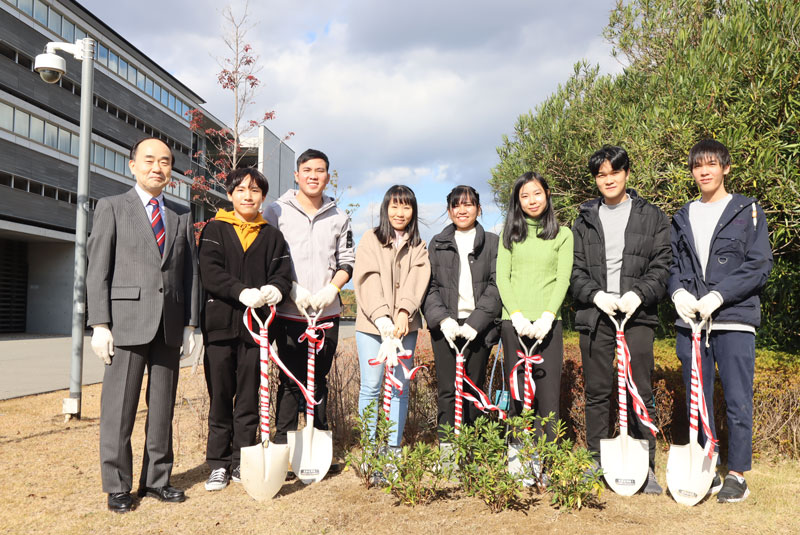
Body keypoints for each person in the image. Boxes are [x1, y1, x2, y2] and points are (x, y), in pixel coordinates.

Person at [86, 137, 200, 513]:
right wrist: (100, 323)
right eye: (149, 160)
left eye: (165, 161)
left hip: (168, 324)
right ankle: (117, 485)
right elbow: (97, 270)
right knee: (119, 408)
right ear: (132, 164)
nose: (158, 168)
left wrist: (189, 324)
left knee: (163, 406)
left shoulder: (181, 216)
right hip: (126, 322)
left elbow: (190, 275)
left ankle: (157, 479)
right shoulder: (112, 207)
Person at [669, 139, 772, 503]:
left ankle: (738, 474)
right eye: (698, 166)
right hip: (692, 324)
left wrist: (719, 295)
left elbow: (759, 265)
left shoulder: (747, 210)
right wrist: (678, 294)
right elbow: (675, 266)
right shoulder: (683, 215)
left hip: (733, 320)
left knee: (738, 399)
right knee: (697, 400)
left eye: (712, 164)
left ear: (725, 168)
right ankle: (706, 466)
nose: (705, 171)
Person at [570, 145, 671, 494]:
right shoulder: (584, 220)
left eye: (614, 172)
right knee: (597, 391)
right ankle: (596, 461)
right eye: (601, 175)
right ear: (596, 179)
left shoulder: (653, 217)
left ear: (627, 174)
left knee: (641, 391)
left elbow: (662, 265)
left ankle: (647, 468)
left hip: (637, 316)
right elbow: (575, 270)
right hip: (596, 317)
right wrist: (596, 296)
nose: (608, 179)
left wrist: (637, 294)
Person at [198, 168, 292, 491]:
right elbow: (210, 272)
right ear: (230, 195)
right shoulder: (214, 229)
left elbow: (282, 272)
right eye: (241, 190)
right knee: (221, 395)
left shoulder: (272, 235)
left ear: (263, 197)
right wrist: (241, 291)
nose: (248, 196)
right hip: (220, 327)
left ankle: (241, 460)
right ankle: (218, 464)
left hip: (257, 330)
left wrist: (275, 290)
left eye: (254, 191)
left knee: (250, 397)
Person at [263, 149, 355, 457]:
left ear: (327, 177)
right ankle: (283, 446)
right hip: (290, 310)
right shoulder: (276, 211)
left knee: (318, 380)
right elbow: (268, 258)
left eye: (320, 171)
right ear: (297, 175)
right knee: (289, 379)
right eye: (307, 170)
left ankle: (318, 444)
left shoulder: (339, 216)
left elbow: (347, 261)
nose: (313, 175)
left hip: (326, 313)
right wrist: (291, 288)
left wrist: (332, 288)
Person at [353, 185, 430, 452]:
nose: (400, 212)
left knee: (400, 386)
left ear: (413, 211)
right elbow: (367, 277)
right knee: (372, 385)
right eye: (395, 206)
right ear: (386, 208)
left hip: (403, 327)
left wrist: (403, 312)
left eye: (406, 206)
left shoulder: (418, 246)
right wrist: (382, 318)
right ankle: (370, 449)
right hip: (372, 327)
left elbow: (417, 279)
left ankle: (393, 450)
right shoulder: (370, 239)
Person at [496, 172, 573, 441]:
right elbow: (502, 278)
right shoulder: (509, 235)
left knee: (548, 393)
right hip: (513, 324)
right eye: (524, 195)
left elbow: (562, 279)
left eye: (537, 193)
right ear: (517, 201)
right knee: (517, 392)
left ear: (548, 194)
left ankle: (548, 456)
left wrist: (547, 317)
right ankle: (518, 455)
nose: (532, 200)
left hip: (548, 325)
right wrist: (516, 315)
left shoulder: (563, 235)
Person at [423, 185, 501, 442]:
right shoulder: (438, 243)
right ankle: (448, 448)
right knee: (447, 389)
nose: (462, 210)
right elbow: (429, 286)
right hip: (446, 326)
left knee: (473, 387)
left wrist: (476, 322)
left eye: (468, 204)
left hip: (478, 327)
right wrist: (443, 320)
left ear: (479, 208)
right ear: (449, 211)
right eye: (456, 205)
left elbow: (496, 285)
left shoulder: (492, 243)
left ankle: (473, 448)